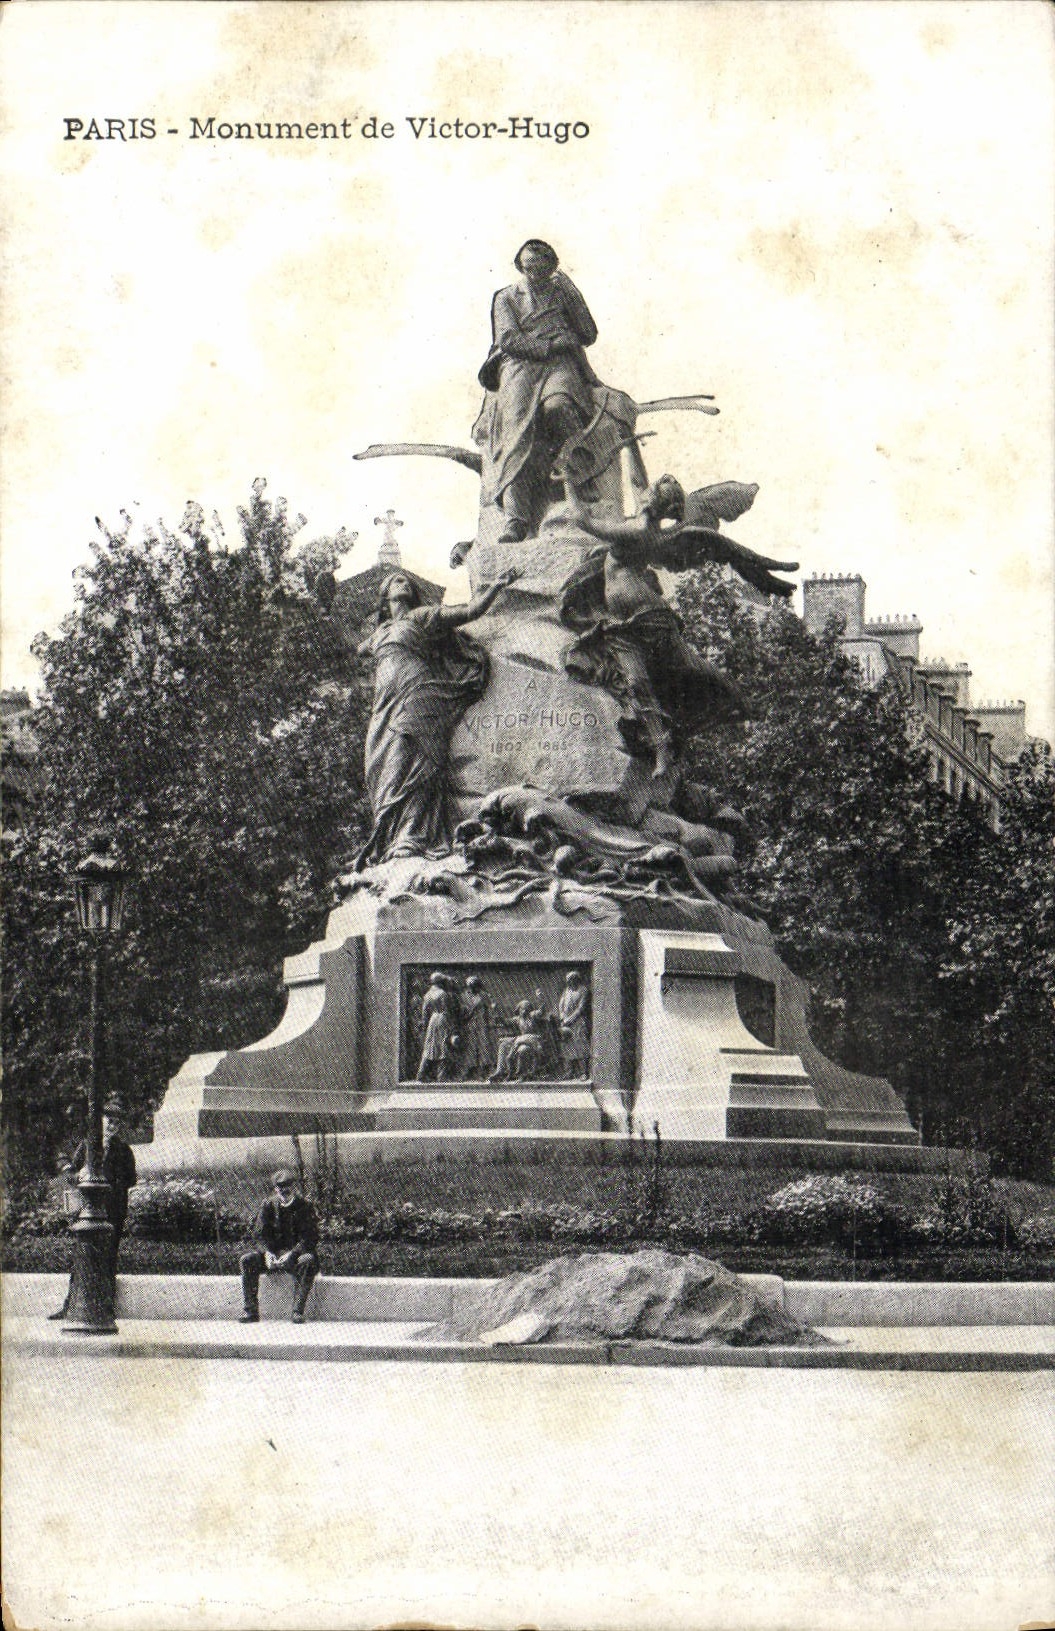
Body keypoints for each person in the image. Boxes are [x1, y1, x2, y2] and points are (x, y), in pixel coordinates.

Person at [559, 476, 753, 779]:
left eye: (652, 493)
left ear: (657, 504)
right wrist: (630, 445)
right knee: (637, 683)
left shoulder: (638, 530)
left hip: (652, 617)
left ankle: (734, 695)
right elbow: (637, 479)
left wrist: (567, 481)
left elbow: (581, 520)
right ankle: (661, 747)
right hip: (621, 626)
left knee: (685, 667)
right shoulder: (646, 525)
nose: (645, 492)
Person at [355, 569, 519, 868]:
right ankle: (392, 835)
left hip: (419, 691)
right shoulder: (379, 633)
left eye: (407, 580)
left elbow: (470, 611)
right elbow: (358, 651)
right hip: (385, 702)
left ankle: (413, 834)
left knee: (413, 755)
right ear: (384, 597)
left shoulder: (421, 617)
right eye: (395, 581)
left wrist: (496, 586)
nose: (403, 581)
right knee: (379, 763)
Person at [473, 239, 601, 543]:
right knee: (517, 430)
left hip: (560, 365)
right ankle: (516, 519)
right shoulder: (505, 297)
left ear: (551, 269)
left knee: (557, 407)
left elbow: (588, 334)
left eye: (540, 270)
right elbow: (508, 340)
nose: (532, 276)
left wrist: (573, 293)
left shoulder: (562, 292)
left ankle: (580, 480)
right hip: (520, 363)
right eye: (527, 268)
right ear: (520, 267)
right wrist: (552, 344)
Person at [48, 1102, 138, 1320]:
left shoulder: (124, 1150)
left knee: (108, 1260)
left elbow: (131, 1178)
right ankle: (70, 1306)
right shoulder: (89, 1145)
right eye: (109, 1122)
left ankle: (106, 1308)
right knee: (81, 1257)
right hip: (88, 1212)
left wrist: (108, 1184)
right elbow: (71, 1169)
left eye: (116, 1123)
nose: (112, 1127)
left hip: (112, 1213)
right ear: (101, 1123)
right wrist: (75, 1173)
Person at [239, 1170, 319, 1324]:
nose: (284, 1192)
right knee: (247, 1260)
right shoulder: (268, 1205)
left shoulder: (305, 1206)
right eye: (280, 1188)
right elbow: (259, 1234)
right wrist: (267, 1253)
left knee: (308, 1260)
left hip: (295, 1257)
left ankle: (297, 1311)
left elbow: (310, 1237)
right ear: (275, 1189)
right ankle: (251, 1311)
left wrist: (292, 1254)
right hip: (273, 1256)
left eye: (288, 1188)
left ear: (294, 1188)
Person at [489, 992, 547, 1082]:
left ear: (530, 1010)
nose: (524, 1011)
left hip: (533, 1040)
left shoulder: (533, 1016)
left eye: (526, 1009)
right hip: (521, 1039)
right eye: (522, 1009)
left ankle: (521, 1075)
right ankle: (500, 1071)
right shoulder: (518, 1019)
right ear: (519, 1010)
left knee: (522, 1049)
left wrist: (541, 998)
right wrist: (495, 1010)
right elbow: (504, 1021)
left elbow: (542, 1011)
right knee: (503, 1045)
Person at [417, 972, 456, 1082]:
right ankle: (442, 1076)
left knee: (430, 1047)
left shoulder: (427, 995)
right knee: (444, 1046)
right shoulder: (443, 994)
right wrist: (451, 1026)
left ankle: (421, 1074)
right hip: (443, 1020)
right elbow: (447, 1011)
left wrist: (425, 1024)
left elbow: (425, 1013)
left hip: (432, 1021)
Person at [458, 974, 498, 1080]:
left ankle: (483, 1071)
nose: (473, 987)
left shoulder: (484, 995)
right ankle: (469, 1071)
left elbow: (490, 1009)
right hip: (469, 1025)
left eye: (475, 985)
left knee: (483, 1047)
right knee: (470, 1048)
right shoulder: (463, 996)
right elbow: (461, 1011)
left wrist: (492, 1016)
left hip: (482, 1024)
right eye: (471, 985)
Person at [557, 971, 591, 1079]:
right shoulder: (566, 990)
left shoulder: (583, 990)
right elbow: (561, 1005)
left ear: (576, 979)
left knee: (580, 1046)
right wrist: (562, 1017)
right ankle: (568, 1072)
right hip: (566, 1023)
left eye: (571, 980)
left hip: (578, 1023)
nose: (569, 982)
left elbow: (580, 1008)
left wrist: (570, 1019)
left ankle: (583, 1072)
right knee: (566, 1047)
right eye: (568, 980)